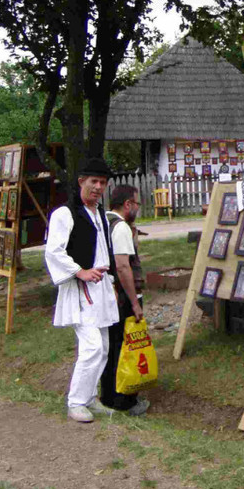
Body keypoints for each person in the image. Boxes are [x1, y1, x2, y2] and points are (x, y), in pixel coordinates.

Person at [44, 158, 119, 423]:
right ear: (81, 183)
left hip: (101, 288)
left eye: (102, 183)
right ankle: (75, 402)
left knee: (105, 347)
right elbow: (53, 251)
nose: (98, 187)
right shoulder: (64, 214)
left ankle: (89, 398)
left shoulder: (99, 213)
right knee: (92, 347)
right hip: (80, 289)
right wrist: (79, 271)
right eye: (93, 182)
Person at [100, 184, 151, 416]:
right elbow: (122, 266)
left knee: (111, 348)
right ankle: (124, 400)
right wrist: (134, 301)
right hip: (121, 298)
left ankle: (109, 395)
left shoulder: (103, 222)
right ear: (128, 204)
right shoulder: (119, 227)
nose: (138, 208)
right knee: (125, 348)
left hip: (108, 296)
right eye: (137, 203)